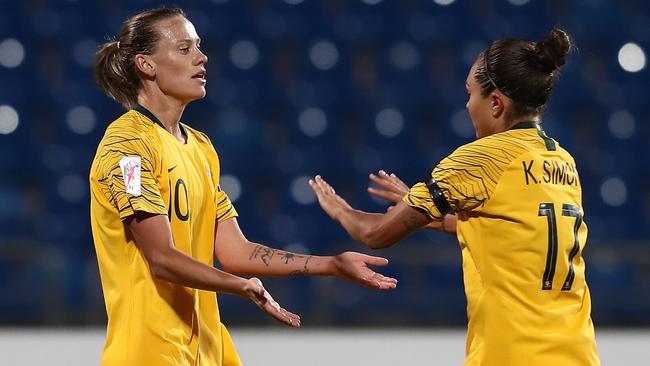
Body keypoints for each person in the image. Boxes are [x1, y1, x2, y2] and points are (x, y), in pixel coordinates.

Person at [89, 7, 397, 366]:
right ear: (146, 65)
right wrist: (241, 286)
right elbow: (161, 259)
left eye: (199, 47)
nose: (202, 58)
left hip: (208, 349)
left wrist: (331, 264)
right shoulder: (128, 147)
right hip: (149, 351)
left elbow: (236, 251)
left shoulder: (201, 147)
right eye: (185, 49)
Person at [309, 27, 601, 366]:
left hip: (512, 353)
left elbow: (376, 234)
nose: (466, 105)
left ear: (495, 103)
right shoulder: (562, 160)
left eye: (469, 93)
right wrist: (427, 215)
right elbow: (511, 233)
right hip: (578, 353)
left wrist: (340, 209)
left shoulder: (482, 157)